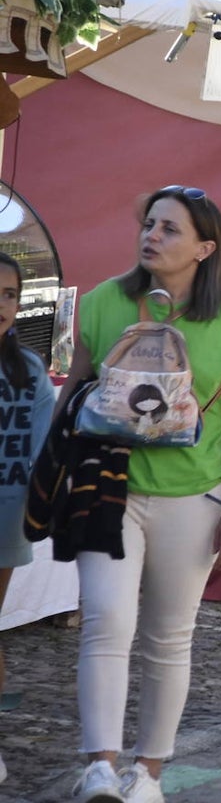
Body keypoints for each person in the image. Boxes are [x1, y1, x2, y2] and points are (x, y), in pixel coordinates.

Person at [64, 186, 221, 803]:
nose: (152, 235)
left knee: (169, 635)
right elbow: (76, 392)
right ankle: (99, 767)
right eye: (149, 224)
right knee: (106, 620)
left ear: (206, 248)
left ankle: (148, 773)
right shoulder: (104, 302)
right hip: (108, 484)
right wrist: (56, 477)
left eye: (170, 229)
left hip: (194, 494)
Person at [0, 252, 56, 787]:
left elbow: (42, 450)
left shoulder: (30, 369)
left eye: (11, 294)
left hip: (4, 514)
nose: (2, 304)